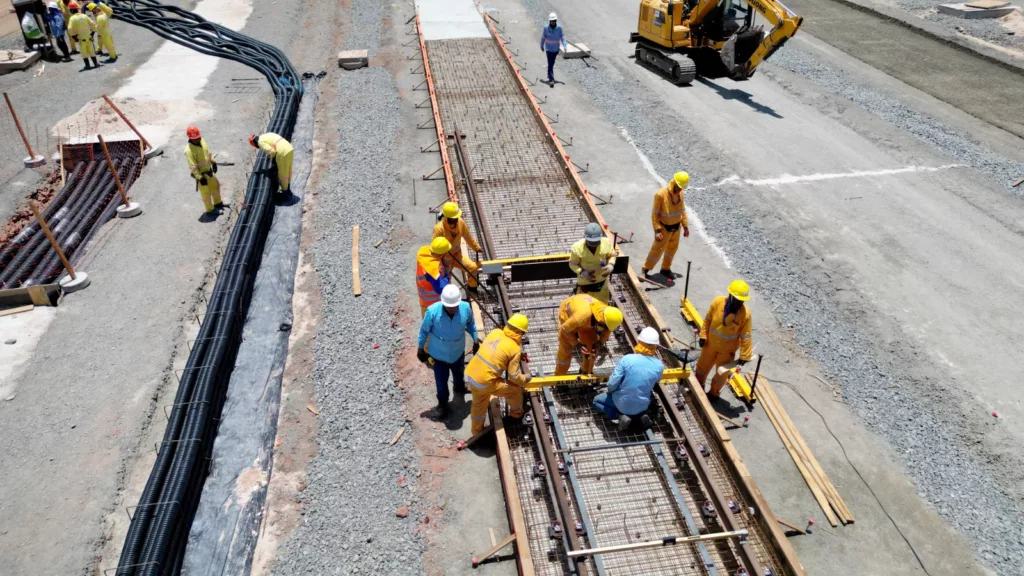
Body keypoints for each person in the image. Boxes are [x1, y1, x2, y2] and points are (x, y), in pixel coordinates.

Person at [418, 285, 480, 418]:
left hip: (457, 353)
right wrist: (420, 348)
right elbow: (424, 331)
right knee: (441, 381)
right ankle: (442, 404)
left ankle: (460, 387)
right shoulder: (432, 312)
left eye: (455, 306)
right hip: (438, 356)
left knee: (459, 373)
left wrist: (475, 339)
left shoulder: (465, 308)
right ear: (443, 302)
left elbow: (470, 324)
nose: (452, 309)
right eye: (449, 306)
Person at [466, 314, 531, 435]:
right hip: (485, 382)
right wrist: (526, 378)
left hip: (472, 375)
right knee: (515, 389)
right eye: (522, 333)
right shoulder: (514, 348)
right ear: (519, 332)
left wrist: (514, 357)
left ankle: (476, 432)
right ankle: (516, 414)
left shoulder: (495, 332)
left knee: (479, 405)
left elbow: (496, 353)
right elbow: (514, 376)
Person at [593, 327, 665, 431]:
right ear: (655, 346)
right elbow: (656, 382)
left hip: (621, 403)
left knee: (597, 401)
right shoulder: (659, 366)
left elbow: (612, 383)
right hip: (642, 405)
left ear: (640, 342)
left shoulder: (627, 359)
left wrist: (609, 392)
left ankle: (619, 416)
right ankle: (639, 417)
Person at [695, 280, 753, 398]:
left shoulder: (745, 314)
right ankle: (697, 387)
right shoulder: (718, 303)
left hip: (727, 351)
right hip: (710, 345)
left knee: (721, 376)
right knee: (702, 368)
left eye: (742, 301)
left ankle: (713, 394)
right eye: (737, 300)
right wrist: (703, 335)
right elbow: (708, 320)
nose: (739, 303)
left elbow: (746, 335)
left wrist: (745, 356)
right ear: (730, 296)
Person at [555, 293, 623, 375]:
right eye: (605, 326)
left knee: (591, 348)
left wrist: (600, 342)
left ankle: (586, 373)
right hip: (568, 314)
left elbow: (607, 329)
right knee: (565, 351)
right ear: (601, 320)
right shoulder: (581, 317)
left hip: (586, 315)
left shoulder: (607, 314)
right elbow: (564, 329)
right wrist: (576, 344)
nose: (606, 328)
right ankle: (559, 378)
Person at [643, 171, 690, 283]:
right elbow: (655, 214)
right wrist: (657, 230)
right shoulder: (660, 195)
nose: (679, 190)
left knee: (671, 250)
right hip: (664, 229)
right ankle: (645, 269)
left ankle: (665, 269)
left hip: (676, 228)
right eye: (678, 188)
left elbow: (682, 210)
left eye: (681, 189)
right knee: (657, 250)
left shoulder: (680, 194)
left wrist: (685, 226)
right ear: (674, 183)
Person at [433, 202, 482, 291]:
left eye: (456, 217)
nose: (456, 219)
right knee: (445, 281)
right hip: (445, 259)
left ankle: (472, 287)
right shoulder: (439, 229)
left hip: (457, 255)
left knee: (473, 268)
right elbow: (436, 248)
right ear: (447, 217)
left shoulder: (460, 223)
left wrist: (476, 247)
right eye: (454, 218)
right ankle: (447, 297)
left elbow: (468, 236)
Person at [569, 222, 616, 303]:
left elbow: (612, 255)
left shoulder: (606, 243)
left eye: (596, 242)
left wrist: (611, 265)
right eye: (592, 242)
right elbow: (572, 264)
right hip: (585, 283)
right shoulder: (577, 248)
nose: (594, 245)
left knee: (602, 307)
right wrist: (582, 273)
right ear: (586, 238)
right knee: (584, 308)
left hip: (602, 282)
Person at [184, 126, 224, 214]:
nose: (197, 140)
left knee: (215, 186)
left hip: (209, 171)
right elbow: (192, 166)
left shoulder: (202, 141)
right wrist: (200, 178)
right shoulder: (189, 151)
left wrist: (213, 161)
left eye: (198, 138)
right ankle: (210, 210)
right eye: (194, 139)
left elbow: (208, 152)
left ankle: (218, 203)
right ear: (190, 138)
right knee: (206, 194)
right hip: (201, 174)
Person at [416, 237, 451, 316]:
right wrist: (446, 276)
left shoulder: (423, 251)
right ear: (441, 254)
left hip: (424, 298)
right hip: (431, 303)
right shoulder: (432, 270)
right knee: (431, 324)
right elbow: (441, 289)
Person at [67, 2, 99, 70]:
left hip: (81, 39)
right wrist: (92, 34)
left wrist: (74, 38)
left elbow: (69, 29)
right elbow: (93, 25)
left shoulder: (72, 19)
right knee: (92, 51)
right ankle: (96, 64)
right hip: (89, 38)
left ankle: (87, 66)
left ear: (71, 10)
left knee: (84, 53)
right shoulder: (84, 16)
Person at [540, 12, 567, 85]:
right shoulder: (546, 28)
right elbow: (543, 37)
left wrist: (565, 46)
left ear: (556, 21)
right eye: (552, 21)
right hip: (549, 49)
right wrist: (541, 45)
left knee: (552, 63)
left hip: (556, 49)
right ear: (550, 21)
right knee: (550, 63)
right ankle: (551, 79)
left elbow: (562, 37)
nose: (553, 22)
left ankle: (549, 74)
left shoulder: (559, 28)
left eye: (554, 21)